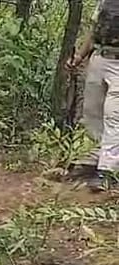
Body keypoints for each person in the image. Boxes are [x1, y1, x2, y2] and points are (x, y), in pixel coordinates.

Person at [68, 0, 119, 191]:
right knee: (91, 112)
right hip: (100, 57)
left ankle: (108, 170)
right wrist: (80, 56)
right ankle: (90, 160)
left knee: (114, 115)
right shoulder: (105, 2)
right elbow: (93, 30)